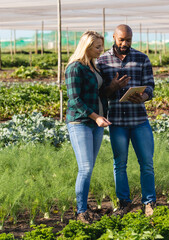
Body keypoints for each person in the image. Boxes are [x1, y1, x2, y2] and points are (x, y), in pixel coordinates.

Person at [65, 31, 129, 224]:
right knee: (84, 168)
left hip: (96, 123)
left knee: (89, 167)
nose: (101, 50)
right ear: (87, 47)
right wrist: (96, 117)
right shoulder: (75, 68)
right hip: (80, 123)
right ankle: (81, 211)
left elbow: (100, 94)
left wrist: (115, 86)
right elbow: (74, 100)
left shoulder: (94, 67)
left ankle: (84, 208)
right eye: (97, 47)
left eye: (101, 46)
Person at [97, 24, 156, 217]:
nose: (125, 43)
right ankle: (124, 203)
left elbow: (150, 86)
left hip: (139, 120)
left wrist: (144, 96)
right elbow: (102, 93)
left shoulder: (141, 58)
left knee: (146, 163)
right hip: (117, 122)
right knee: (119, 164)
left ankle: (149, 202)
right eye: (121, 39)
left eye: (128, 40)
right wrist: (112, 87)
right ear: (113, 37)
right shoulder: (102, 61)